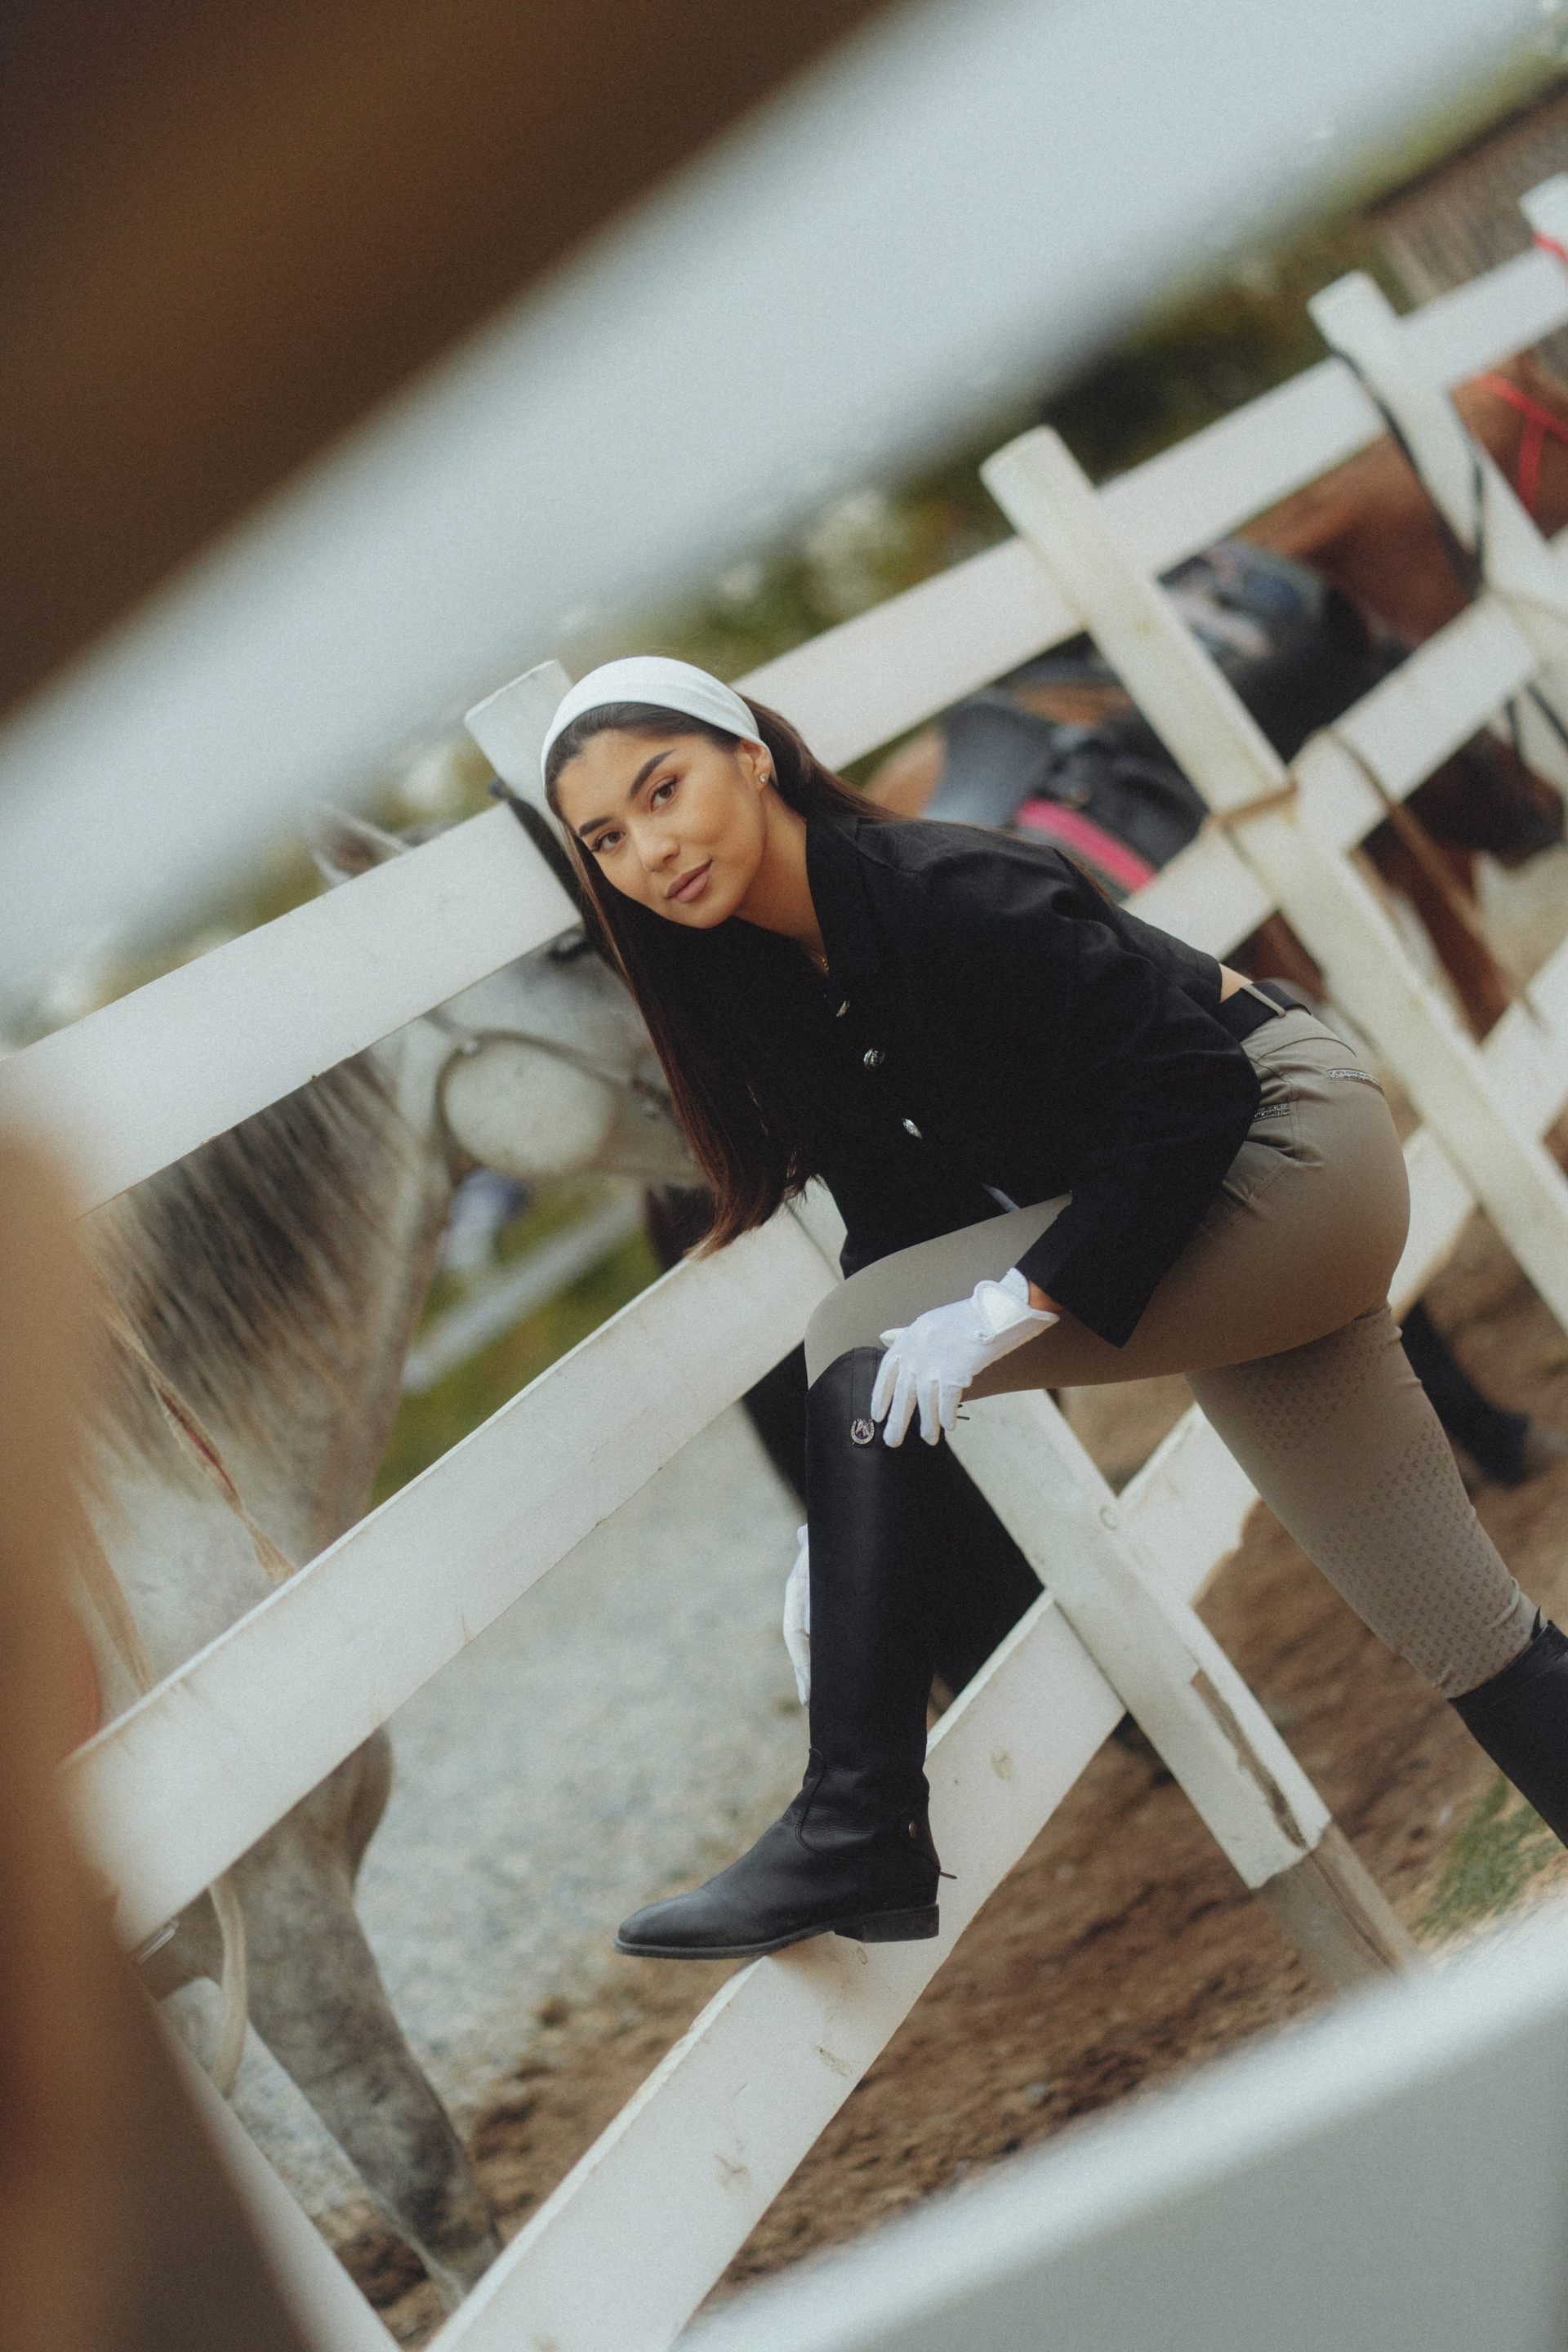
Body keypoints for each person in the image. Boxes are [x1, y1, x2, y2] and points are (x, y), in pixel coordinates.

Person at [541, 654, 1568, 1963]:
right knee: (1460, 1629)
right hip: (1194, 1205)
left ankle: (856, 1823)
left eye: (663, 789)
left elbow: (1197, 1088)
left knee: (850, 1341)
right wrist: (838, 1519)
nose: (651, 850)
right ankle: (859, 1823)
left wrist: (1016, 1305)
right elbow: (900, 1218)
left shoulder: (943, 890)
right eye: (607, 839)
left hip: (1285, 1154)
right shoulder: (774, 979)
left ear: (751, 757)